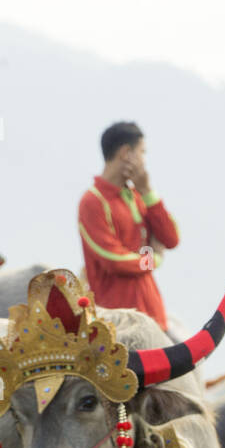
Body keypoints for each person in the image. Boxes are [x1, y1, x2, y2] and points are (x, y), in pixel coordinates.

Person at [78, 121, 180, 330]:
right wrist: (154, 260)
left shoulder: (138, 196)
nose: (144, 159)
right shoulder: (93, 201)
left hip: (154, 317)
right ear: (127, 153)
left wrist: (148, 191)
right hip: (117, 324)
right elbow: (113, 259)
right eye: (142, 152)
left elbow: (171, 238)